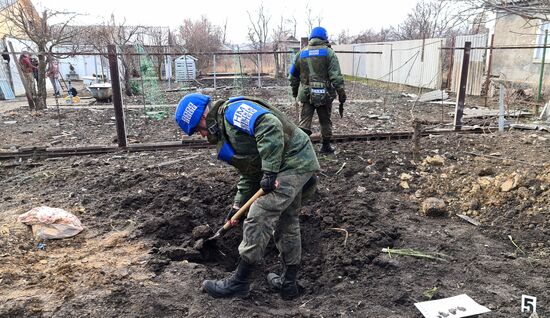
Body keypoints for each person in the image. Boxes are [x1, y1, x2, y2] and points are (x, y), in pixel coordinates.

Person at [175, 93, 320, 300]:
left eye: (198, 129)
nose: (200, 135)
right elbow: (249, 172)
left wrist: (269, 171)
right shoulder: (226, 136)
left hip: (294, 160)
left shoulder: (233, 113)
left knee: (259, 212)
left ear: (202, 118)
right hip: (285, 165)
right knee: (287, 220)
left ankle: (239, 282)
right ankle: (288, 284)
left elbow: (269, 125)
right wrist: (237, 206)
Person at [289, 26, 347, 154]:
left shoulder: (301, 54)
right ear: (325, 38)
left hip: (305, 94)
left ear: (311, 37)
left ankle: (302, 150)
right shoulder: (329, 53)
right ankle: (326, 147)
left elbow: (292, 76)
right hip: (325, 95)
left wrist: (295, 92)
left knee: (304, 123)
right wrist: (341, 93)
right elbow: (336, 77)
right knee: (325, 121)